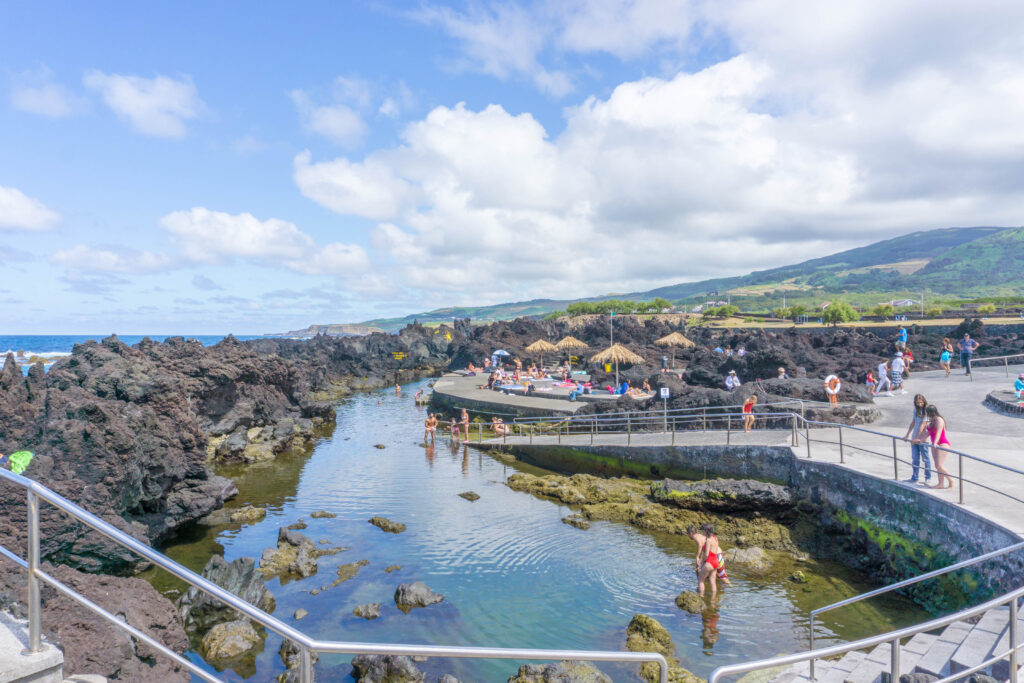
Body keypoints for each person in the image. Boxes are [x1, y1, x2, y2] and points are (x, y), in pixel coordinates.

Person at [689, 523, 731, 596]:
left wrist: (701, 562)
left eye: (703, 531)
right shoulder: (714, 538)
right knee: (714, 580)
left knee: (700, 580)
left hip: (710, 561)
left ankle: (701, 596)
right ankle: (713, 599)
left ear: (706, 531)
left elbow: (706, 554)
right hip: (717, 559)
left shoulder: (708, 540)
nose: (702, 533)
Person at [903, 394, 932, 485]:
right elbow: (913, 423)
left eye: (921, 402)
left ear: (924, 401)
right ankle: (915, 477)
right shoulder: (915, 410)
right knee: (915, 458)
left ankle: (928, 477)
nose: (920, 404)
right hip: (914, 438)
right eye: (918, 403)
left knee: (925, 459)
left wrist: (917, 438)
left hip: (922, 439)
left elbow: (923, 425)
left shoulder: (927, 411)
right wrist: (907, 435)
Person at [926, 405, 953, 489]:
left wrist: (935, 442)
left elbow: (938, 432)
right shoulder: (931, 422)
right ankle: (940, 484)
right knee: (938, 465)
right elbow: (927, 433)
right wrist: (919, 440)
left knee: (939, 465)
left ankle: (951, 480)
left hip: (942, 444)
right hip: (935, 444)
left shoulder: (939, 419)